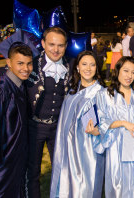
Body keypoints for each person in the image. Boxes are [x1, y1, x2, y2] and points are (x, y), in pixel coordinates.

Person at [25, 26, 73, 198]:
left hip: (58, 129)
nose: (56, 49)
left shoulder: (71, 66)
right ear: (43, 43)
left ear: (66, 46)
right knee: (33, 172)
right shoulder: (31, 65)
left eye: (60, 45)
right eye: (51, 44)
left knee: (61, 170)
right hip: (34, 127)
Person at [50, 50, 105, 198]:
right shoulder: (72, 93)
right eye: (84, 64)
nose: (88, 68)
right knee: (66, 185)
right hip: (67, 150)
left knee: (86, 187)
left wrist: (99, 131)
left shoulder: (101, 94)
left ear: (97, 68)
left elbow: (108, 125)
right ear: (77, 68)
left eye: (92, 65)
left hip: (88, 152)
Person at [96, 56, 134, 197]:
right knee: (117, 186)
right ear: (117, 70)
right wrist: (122, 123)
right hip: (116, 147)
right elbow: (102, 122)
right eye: (126, 71)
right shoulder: (105, 95)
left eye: (133, 72)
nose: (129, 76)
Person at [0, 42, 33, 197]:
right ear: (8, 62)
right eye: (20, 63)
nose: (25, 69)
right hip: (1, 164)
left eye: (29, 63)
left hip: (16, 158)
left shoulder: (20, 86)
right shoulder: (0, 90)